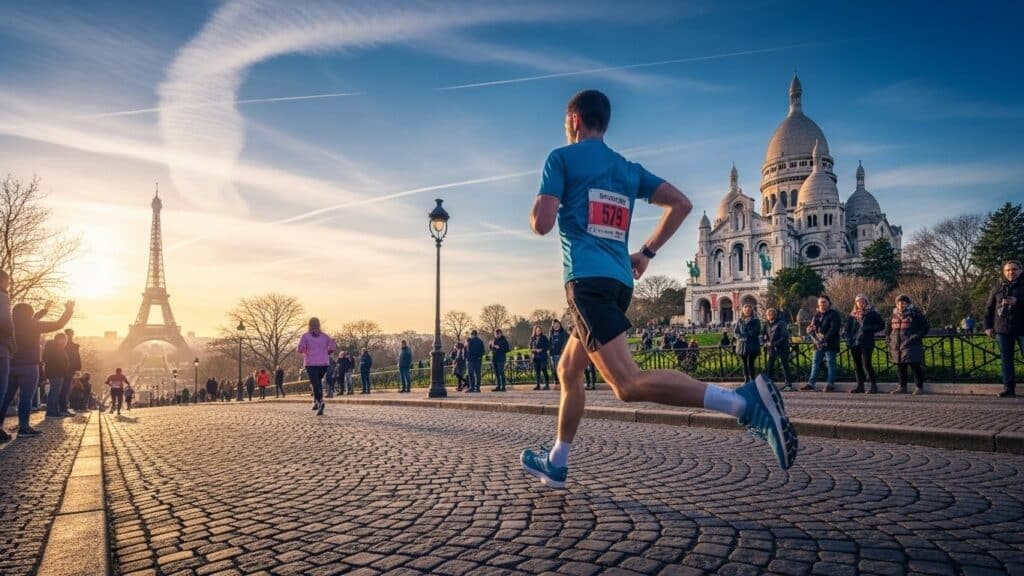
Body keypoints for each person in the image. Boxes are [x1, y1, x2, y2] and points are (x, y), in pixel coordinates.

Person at [521, 90, 796, 489]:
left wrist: (541, 206)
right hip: (619, 283)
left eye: (567, 123)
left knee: (627, 384)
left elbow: (542, 223)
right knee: (568, 369)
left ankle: (744, 403)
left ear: (575, 120)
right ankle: (557, 461)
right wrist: (647, 252)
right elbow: (681, 204)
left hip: (586, 283)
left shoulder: (561, 158)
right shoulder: (627, 169)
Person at [2, 300, 73, 436]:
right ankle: (24, 427)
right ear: (30, 313)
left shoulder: (9, 323)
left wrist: (44, 311)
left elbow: (32, 319)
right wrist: (68, 310)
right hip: (29, 366)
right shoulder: (34, 325)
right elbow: (59, 324)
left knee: (5, 397)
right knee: (26, 398)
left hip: (10, 365)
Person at [985, 260, 1024, 398]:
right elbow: (989, 308)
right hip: (1003, 329)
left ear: (1021, 270)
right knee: (1006, 360)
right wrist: (988, 326)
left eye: (1014, 269)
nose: (1011, 272)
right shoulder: (998, 287)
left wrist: (1017, 302)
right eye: (1008, 270)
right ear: (1004, 272)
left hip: (1022, 328)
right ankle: (1008, 389)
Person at [888, 294, 929, 394]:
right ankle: (902, 386)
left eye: (903, 303)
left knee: (914, 365)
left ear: (907, 304)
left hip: (911, 343)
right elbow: (888, 329)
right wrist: (888, 338)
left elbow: (925, 327)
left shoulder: (915, 313)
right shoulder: (893, 315)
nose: (900, 305)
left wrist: (915, 336)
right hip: (897, 344)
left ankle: (919, 387)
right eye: (898, 303)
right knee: (900, 366)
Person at [845, 294, 885, 394]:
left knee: (867, 364)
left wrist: (868, 329)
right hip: (854, 342)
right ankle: (860, 386)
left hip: (866, 341)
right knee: (857, 365)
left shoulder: (872, 313)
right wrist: (848, 338)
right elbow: (847, 328)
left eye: (863, 301)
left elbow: (881, 325)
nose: (861, 303)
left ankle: (873, 386)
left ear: (866, 302)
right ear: (856, 303)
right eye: (858, 302)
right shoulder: (852, 315)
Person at [296, 317, 337, 415]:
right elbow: (332, 347)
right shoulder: (325, 336)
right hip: (323, 364)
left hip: (311, 364)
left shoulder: (305, 336)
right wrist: (325, 352)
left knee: (315, 384)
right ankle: (315, 401)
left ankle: (320, 401)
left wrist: (303, 350)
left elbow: (300, 349)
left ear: (309, 325)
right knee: (317, 383)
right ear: (319, 325)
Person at [802, 295, 840, 392]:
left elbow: (834, 329)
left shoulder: (834, 314)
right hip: (818, 343)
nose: (822, 304)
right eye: (820, 302)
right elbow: (813, 327)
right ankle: (811, 383)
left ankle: (830, 384)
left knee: (830, 364)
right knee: (815, 363)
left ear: (829, 303)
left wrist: (824, 338)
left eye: (824, 302)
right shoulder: (816, 315)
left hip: (830, 343)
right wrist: (809, 330)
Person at [762, 308, 794, 391]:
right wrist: (766, 342)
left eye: (771, 314)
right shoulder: (766, 324)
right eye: (768, 315)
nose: (769, 316)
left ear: (775, 315)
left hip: (782, 347)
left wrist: (773, 344)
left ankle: (788, 384)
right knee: (770, 366)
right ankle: (769, 384)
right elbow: (764, 335)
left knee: (784, 365)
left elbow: (784, 336)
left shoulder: (781, 323)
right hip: (771, 348)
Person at [42, 332, 69, 417]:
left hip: (53, 373)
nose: (66, 342)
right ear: (60, 339)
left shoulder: (50, 347)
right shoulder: (57, 348)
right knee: (54, 393)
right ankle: (51, 411)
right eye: (65, 339)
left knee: (55, 393)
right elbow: (61, 362)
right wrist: (64, 370)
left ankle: (55, 411)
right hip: (57, 373)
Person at [733, 304, 761, 383]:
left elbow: (757, 331)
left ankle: (752, 379)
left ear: (751, 311)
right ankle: (746, 379)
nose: (747, 311)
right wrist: (740, 337)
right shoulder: (740, 320)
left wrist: (747, 334)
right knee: (744, 363)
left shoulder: (756, 320)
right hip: (742, 345)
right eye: (745, 310)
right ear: (743, 311)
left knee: (750, 362)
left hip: (752, 344)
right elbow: (736, 332)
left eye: (748, 310)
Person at [0, 271, 13, 443]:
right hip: (2, 349)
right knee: (1, 388)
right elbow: (7, 324)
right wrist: (12, 344)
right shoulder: (3, 297)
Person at [63, 328, 81, 415]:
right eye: (69, 334)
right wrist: (78, 369)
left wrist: (78, 369)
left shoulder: (72, 346)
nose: (70, 336)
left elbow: (77, 358)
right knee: (65, 389)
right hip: (67, 370)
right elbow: (77, 358)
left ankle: (63, 407)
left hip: (68, 370)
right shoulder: (73, 346)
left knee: (66, 389)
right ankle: (63, 408)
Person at [530, 325, 550, 391]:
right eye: (537, 330)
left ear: (541, 331)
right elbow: (530, 347)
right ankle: (538, 385)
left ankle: (547, 385)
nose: (538, 331)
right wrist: (533, 350)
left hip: (543, 357)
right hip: (535, 357)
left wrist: (542, 349)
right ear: (535, 331)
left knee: (544, 370)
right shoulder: (533, 338)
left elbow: (548, 346)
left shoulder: (544, 337)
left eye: (539, 330)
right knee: (537, 372)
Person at [549, 320, 567, 386]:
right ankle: (556, 380)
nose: (556, 325)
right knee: (555, 367)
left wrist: (563, 349)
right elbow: (550, 342)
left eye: (557, 324)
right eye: (554, 324)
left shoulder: (563, 332)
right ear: (553, 326)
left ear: (559, 324)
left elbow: (565, 341)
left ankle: (563, 380)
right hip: (553, 353)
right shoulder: (551, 332)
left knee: (562, 367)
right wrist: (550, 351)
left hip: (561, 352)